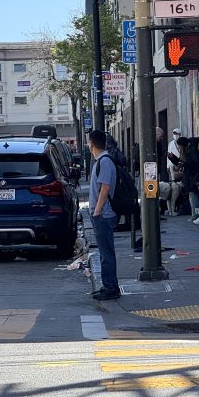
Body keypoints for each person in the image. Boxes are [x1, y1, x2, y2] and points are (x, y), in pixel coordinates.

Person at [88, 129, 120, 301]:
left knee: (107, 253)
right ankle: (108, 285)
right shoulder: (101, 161)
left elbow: (105, 188)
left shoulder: (105, 162)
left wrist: (97, 211)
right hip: (101, 213)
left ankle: (111, 287)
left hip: (104, 214)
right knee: (104, 253)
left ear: (91, 143)